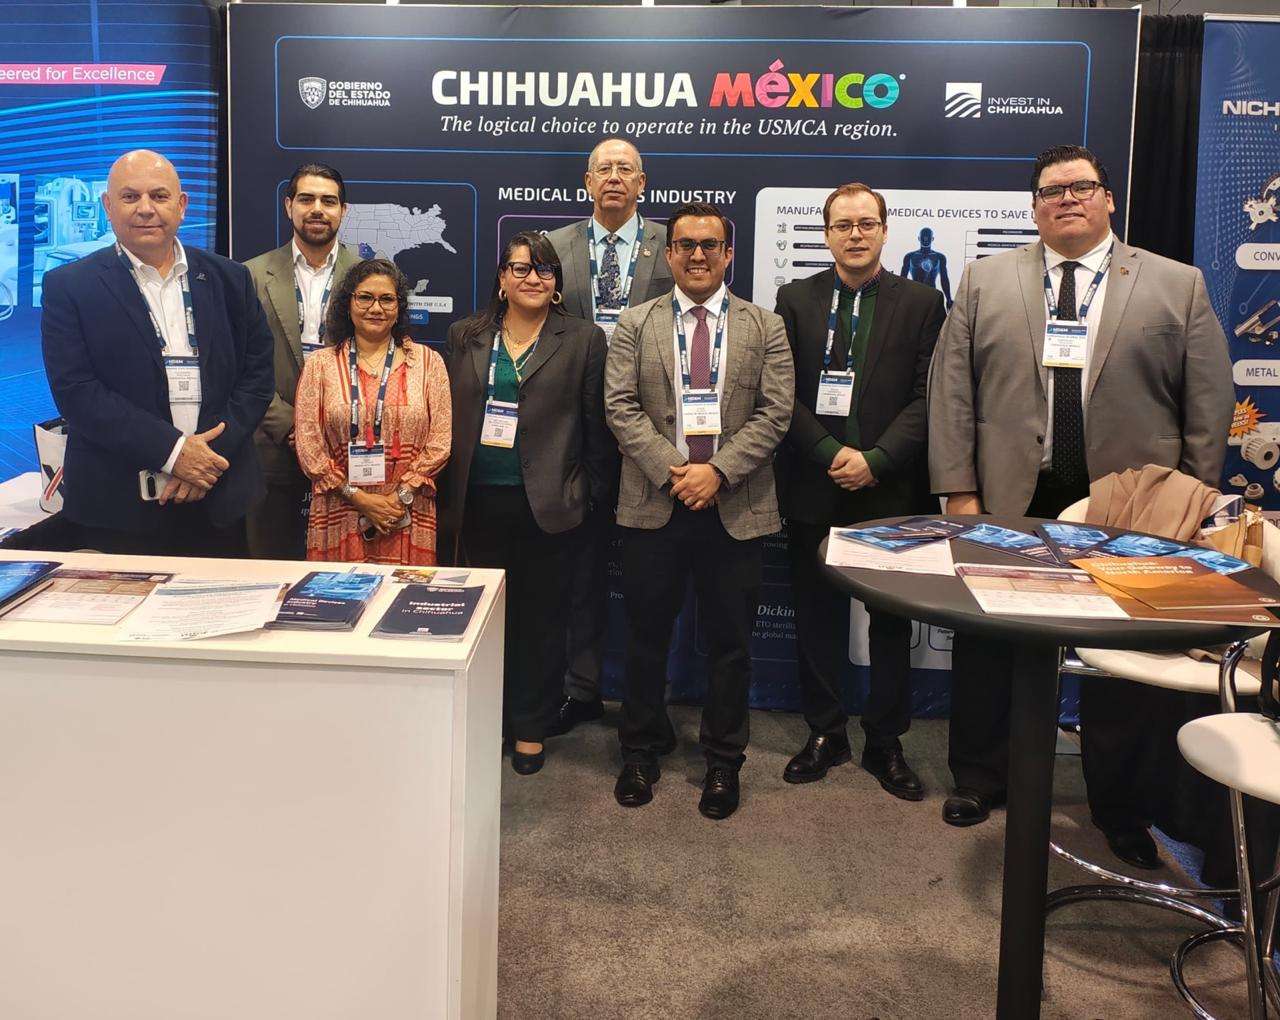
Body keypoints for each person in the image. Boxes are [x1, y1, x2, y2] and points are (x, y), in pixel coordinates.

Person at [928, 144, 1233, 867]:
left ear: (1108, 199)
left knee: (1121, 661)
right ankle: (980, 776)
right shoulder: (984, 280)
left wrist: (1187, 502)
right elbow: (952, 391)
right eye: (1051, 190)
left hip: (1129, 507)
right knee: (990, 640)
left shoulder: (1176, 284)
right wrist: (959, 489)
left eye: (1082, 186)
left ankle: (1120, 807)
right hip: (1011, 496)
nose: (1067, 198)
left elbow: (1208, 401)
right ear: (1034, 207)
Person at [605, 202, 794, 820]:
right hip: (654, 502)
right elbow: (620, 407)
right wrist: (676, 472)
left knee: (730, 645)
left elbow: (776, 412)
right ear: (668, 254)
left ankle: (722, 760)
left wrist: (718, 472)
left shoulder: (765, 326)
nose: (697, 255)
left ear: (728, 254)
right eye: (685, 244)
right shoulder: (635, 323)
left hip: (735, 505)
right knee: (645, 637)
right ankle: (640, 750)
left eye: (710, 244)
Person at [775, 183, 945, 800]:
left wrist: (875, 460)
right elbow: (780, 393)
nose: (854, 234)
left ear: (884, 231)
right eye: (842, 225)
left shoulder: (922, 302)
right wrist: (829, 454)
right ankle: (825, 732)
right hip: (814, 483)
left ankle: (885, 741)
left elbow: (928, 396)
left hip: (889, 487)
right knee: (815, 617)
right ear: (826, 234)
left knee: (890, 623)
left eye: (866, 224)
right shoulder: (796, 299)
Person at [40, 149, 273, 555]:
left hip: (218, 497)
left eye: (159, 196)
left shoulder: (230, 278)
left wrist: (204, 460)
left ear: (181, 205)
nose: (146, 208)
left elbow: (257, 377)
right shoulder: (69, 286)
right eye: (130, 197)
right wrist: (175, 454)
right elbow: (77, 392)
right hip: (119, 508)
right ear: (108, 206)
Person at [439, 232, 610, 776]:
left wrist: (587, 495)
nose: (532, 278)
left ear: (557, 283)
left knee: (541, 620)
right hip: (477, 501)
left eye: (544, 270)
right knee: (483, 620)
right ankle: (488, 719)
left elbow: (596, 427)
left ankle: (530, 726)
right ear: (501, 278)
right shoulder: (466, 335)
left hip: (549, 504)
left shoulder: (582, 339)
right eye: (520, 268)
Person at [545, 138, 672, 738]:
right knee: (581, 570)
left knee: (658, 577)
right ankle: (581, 688)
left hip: (653, 433)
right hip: (576, 432)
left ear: (642, 182)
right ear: (587, 181)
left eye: (626, 169)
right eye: (604, 169)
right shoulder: (556, 247)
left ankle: (655, 701)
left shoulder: (674, 244)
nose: (615, 177)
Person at [293, 258, 451, 565]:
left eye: (387, 299)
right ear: (348, 303)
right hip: (340, 510)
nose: (376, 308)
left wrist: (400, 497)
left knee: (405, 595)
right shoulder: (320, 365)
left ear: (399, 307)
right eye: (365, 297)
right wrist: (359, 498)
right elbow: (309, 446)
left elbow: (440, 442)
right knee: (338, 595)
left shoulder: (429, 363)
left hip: (406, 512)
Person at [244, 163, 359, 560]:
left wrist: (326, 430)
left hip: (345, 451)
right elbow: (240, 367)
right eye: (307, 199)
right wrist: (293, 427)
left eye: (329, 201)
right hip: (272, 448)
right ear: (288, 205)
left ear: (343, 210)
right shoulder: (251, 276)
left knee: (340, 574)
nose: (317, 209)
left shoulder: (367, 278)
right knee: (271, 570)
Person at [900, 228, 952, 310]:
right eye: (923, 237)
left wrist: (949, 299)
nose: (925, 239)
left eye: (928, 237)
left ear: (932, 239)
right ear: (919, 238)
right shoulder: (909, 256)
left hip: (932, 298)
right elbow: (902, 280)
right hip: (915, 297)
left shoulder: (940, 257)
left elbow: (944, 279)